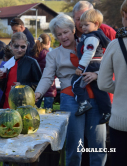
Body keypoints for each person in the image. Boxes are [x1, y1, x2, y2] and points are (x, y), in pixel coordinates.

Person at [35, 13, 106, 166]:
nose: (63, 36)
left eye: (66, 32)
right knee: (74, 145)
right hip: (70, 98)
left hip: (95, 94)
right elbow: (47, 77)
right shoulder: (53, 55)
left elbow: (106, 66)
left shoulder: (90, 43)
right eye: (59, 34)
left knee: (98, 145)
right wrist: (38, 93)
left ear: (73, 30)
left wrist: (96, 74)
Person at [98, 1, 127, 165]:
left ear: (125, 16)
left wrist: (121, 89)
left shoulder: (116, 45)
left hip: (121, 122)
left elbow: (103, 83)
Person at [71, 9, 111, 124]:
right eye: (82, 25)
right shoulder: (91, 36)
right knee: (100, 90)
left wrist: (81, 67)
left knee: (75, 83)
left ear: (96, 24)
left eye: (86, 25)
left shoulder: (91, 37)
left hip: (90, 64)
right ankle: (107, 111)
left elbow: (89, 53)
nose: (83, 27)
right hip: (97, 65)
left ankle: (83, 103)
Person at [0, 32, 42, 108]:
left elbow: (40, 84)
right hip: (7, 104)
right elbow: (4, 87)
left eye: (23, 47)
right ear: (11, 46)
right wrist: (1, 78)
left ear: (27, 46)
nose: (19, 50)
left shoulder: (32, 63)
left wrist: (23, 86)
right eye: (16, 46)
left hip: (23, 105)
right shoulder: (8, 63)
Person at [31, 33, 57, 108]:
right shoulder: (50, 55)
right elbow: (54, 73)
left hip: (36, 87)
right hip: (49, 88)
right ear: (49, 43)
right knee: (48, 113)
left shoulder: (33, 54)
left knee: (35, 110)